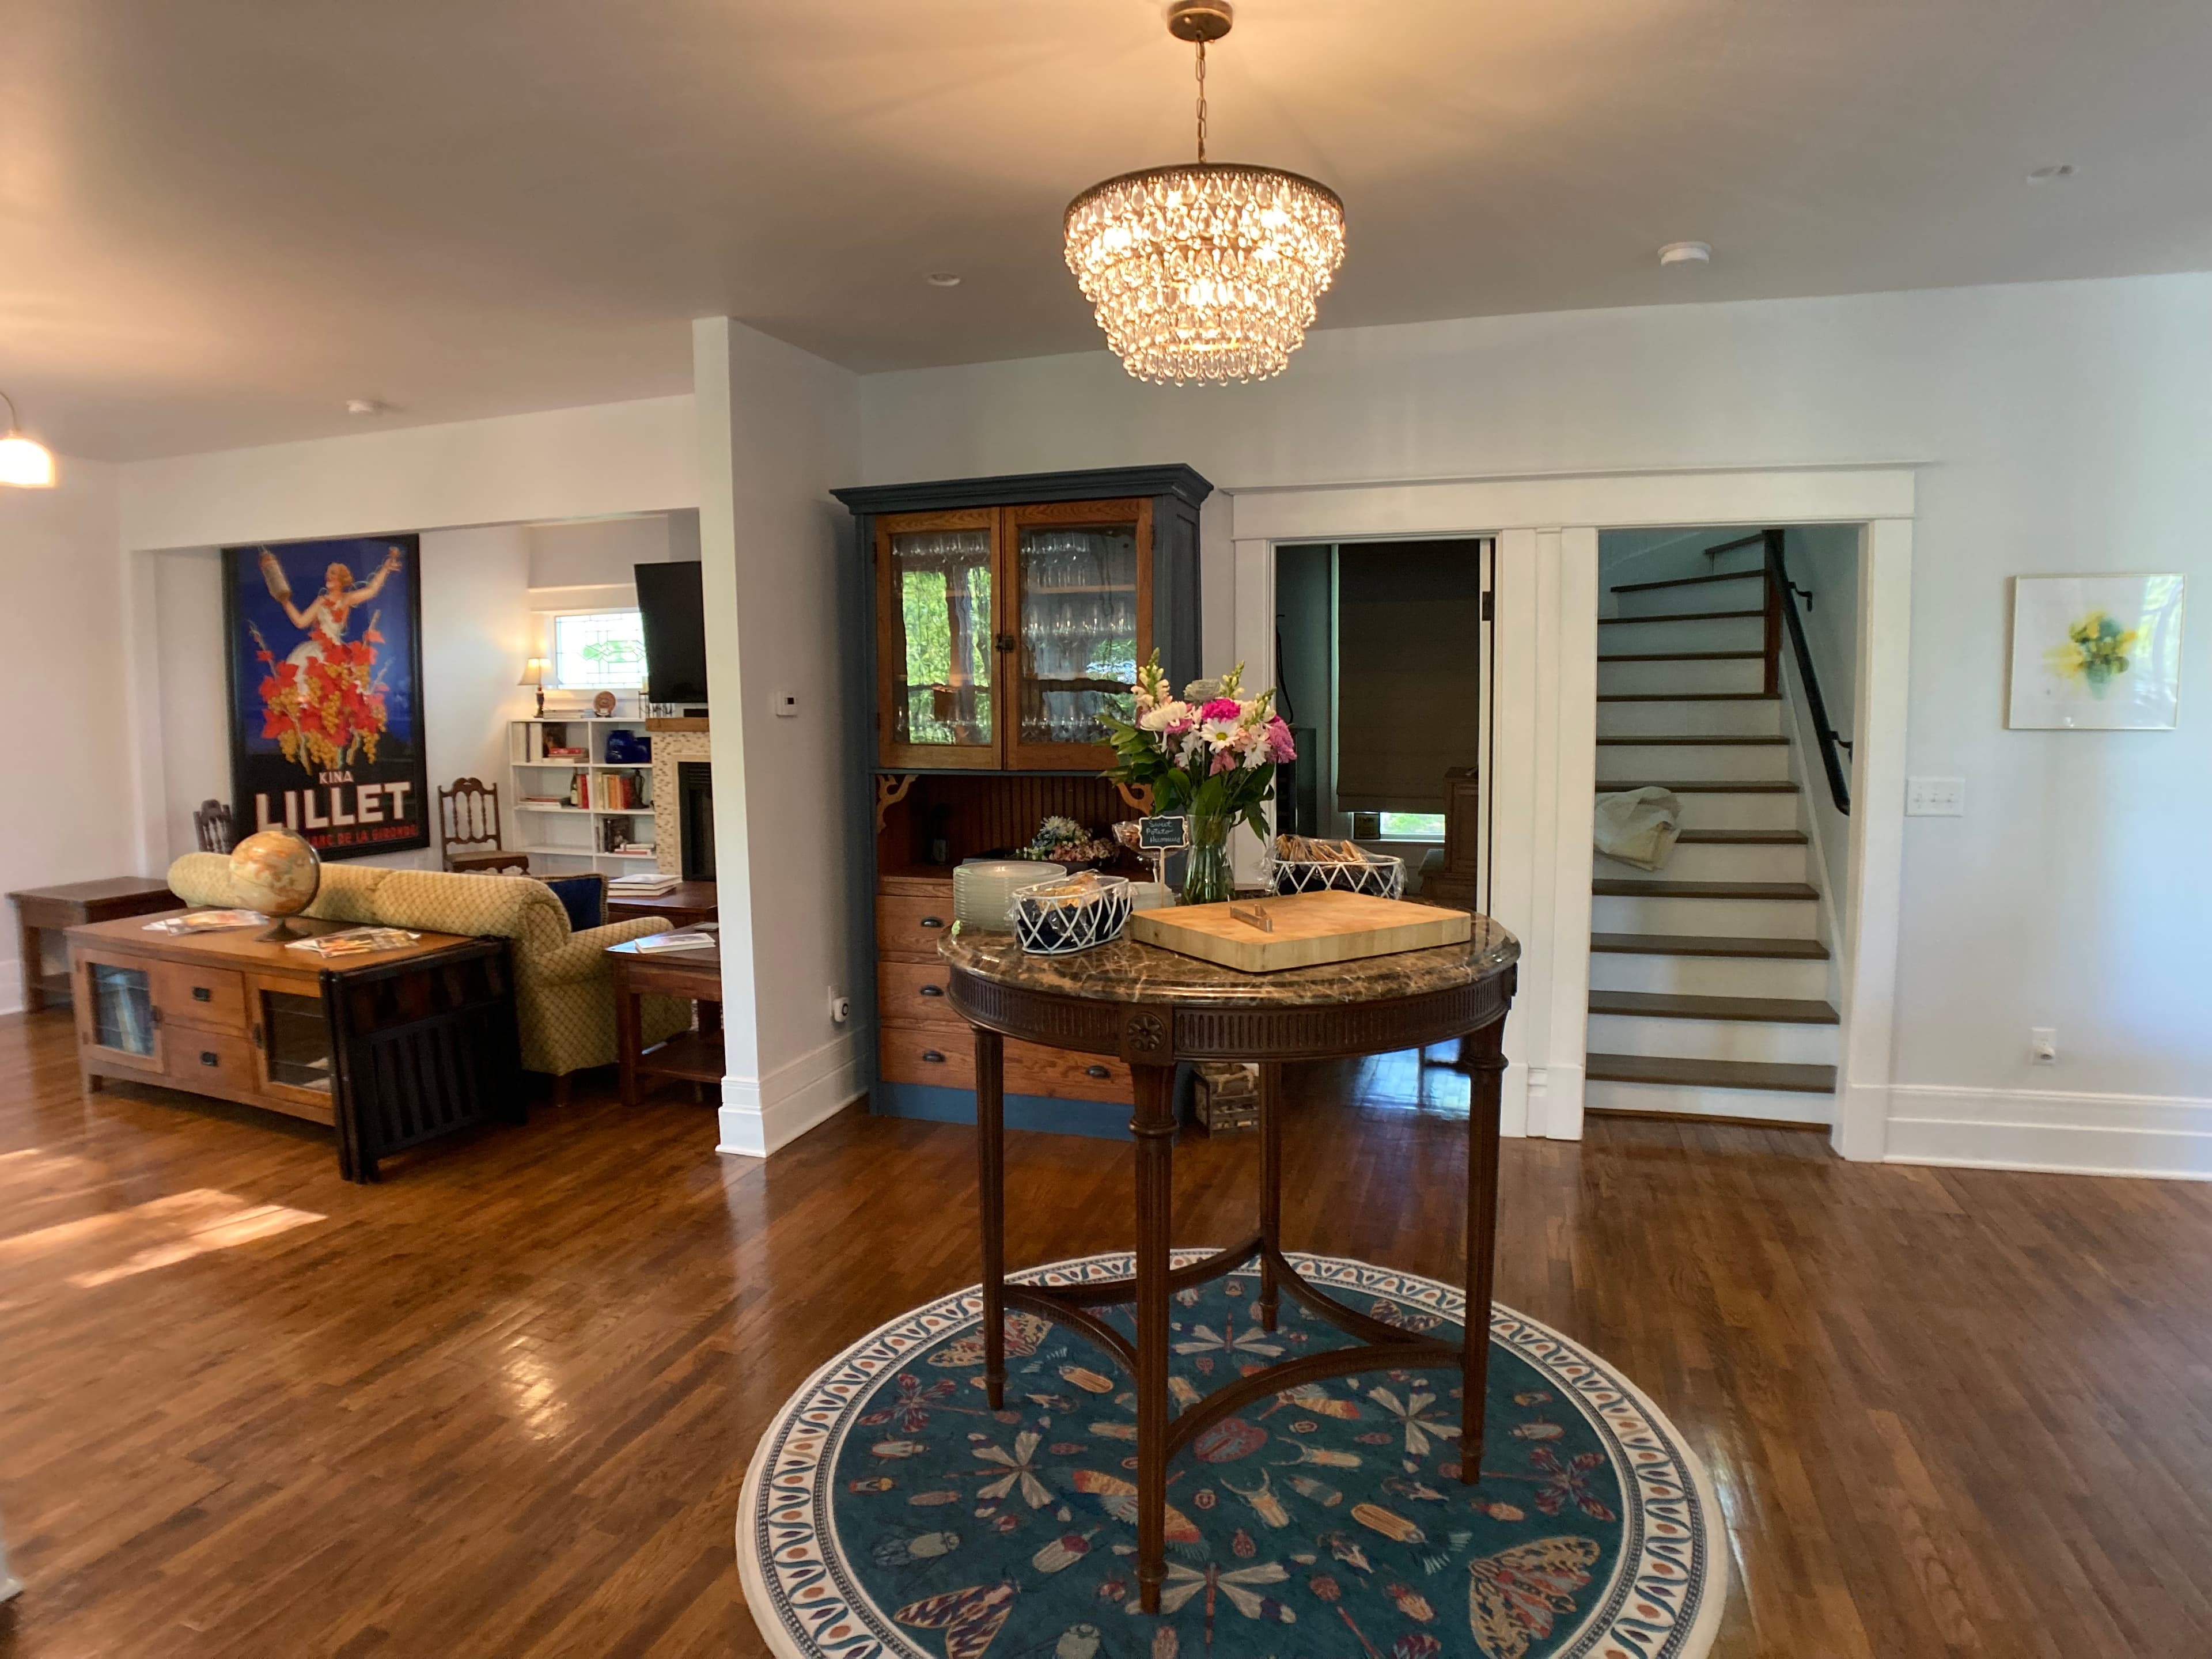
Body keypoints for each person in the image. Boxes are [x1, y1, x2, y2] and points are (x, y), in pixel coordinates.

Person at [259, 544, 403, 669]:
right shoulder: (321, 601)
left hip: (336, 653)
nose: (328, 576)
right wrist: (285, 601)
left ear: (341, 580)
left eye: (333, 573)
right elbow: (301, 622)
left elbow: (372, 590)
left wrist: (385, 569)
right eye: (327, 572)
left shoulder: (346, 599)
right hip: (315, 652)